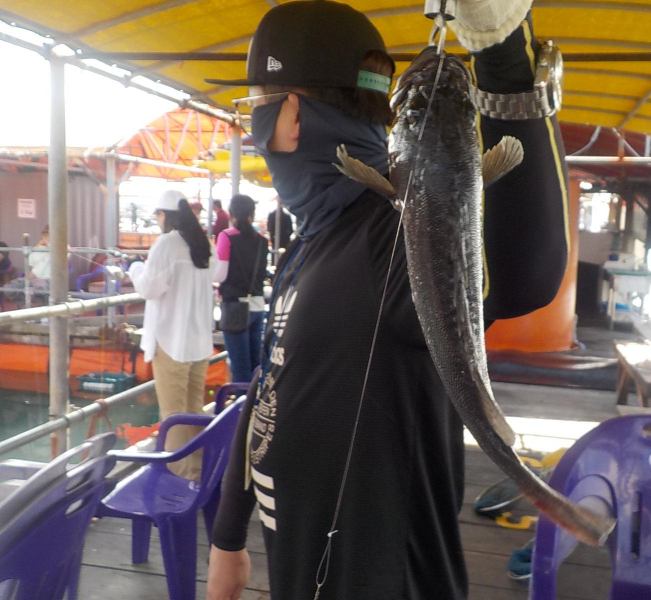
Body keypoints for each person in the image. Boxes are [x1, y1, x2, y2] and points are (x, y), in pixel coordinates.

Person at [207, 1, 569, 598]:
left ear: (290, 115)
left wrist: (502, 51)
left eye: (255, 108)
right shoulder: (314, 238)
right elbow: (271, 381)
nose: (253, 130)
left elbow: (523, 270)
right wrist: (228, 534)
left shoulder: (395, 234)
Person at [128, 190, 217, 480]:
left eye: (157, 215)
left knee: (173, 414)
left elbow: (149, 288)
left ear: (165, 215)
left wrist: (135, 268)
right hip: (199, 341)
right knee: (193, 409)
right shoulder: (204, 244)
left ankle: (180, 476)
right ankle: (200, 469)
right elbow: (216, 276)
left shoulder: (166, 244)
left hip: (171, 341)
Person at [214, 194, 269, 382]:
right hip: (257, 306)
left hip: (235, 308)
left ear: (232, 214)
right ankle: (255, 401)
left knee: (240, 369)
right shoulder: (262, 241)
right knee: (255, 367)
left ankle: (241, 401)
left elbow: (220, 275)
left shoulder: (226, 237)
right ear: (252, 214)